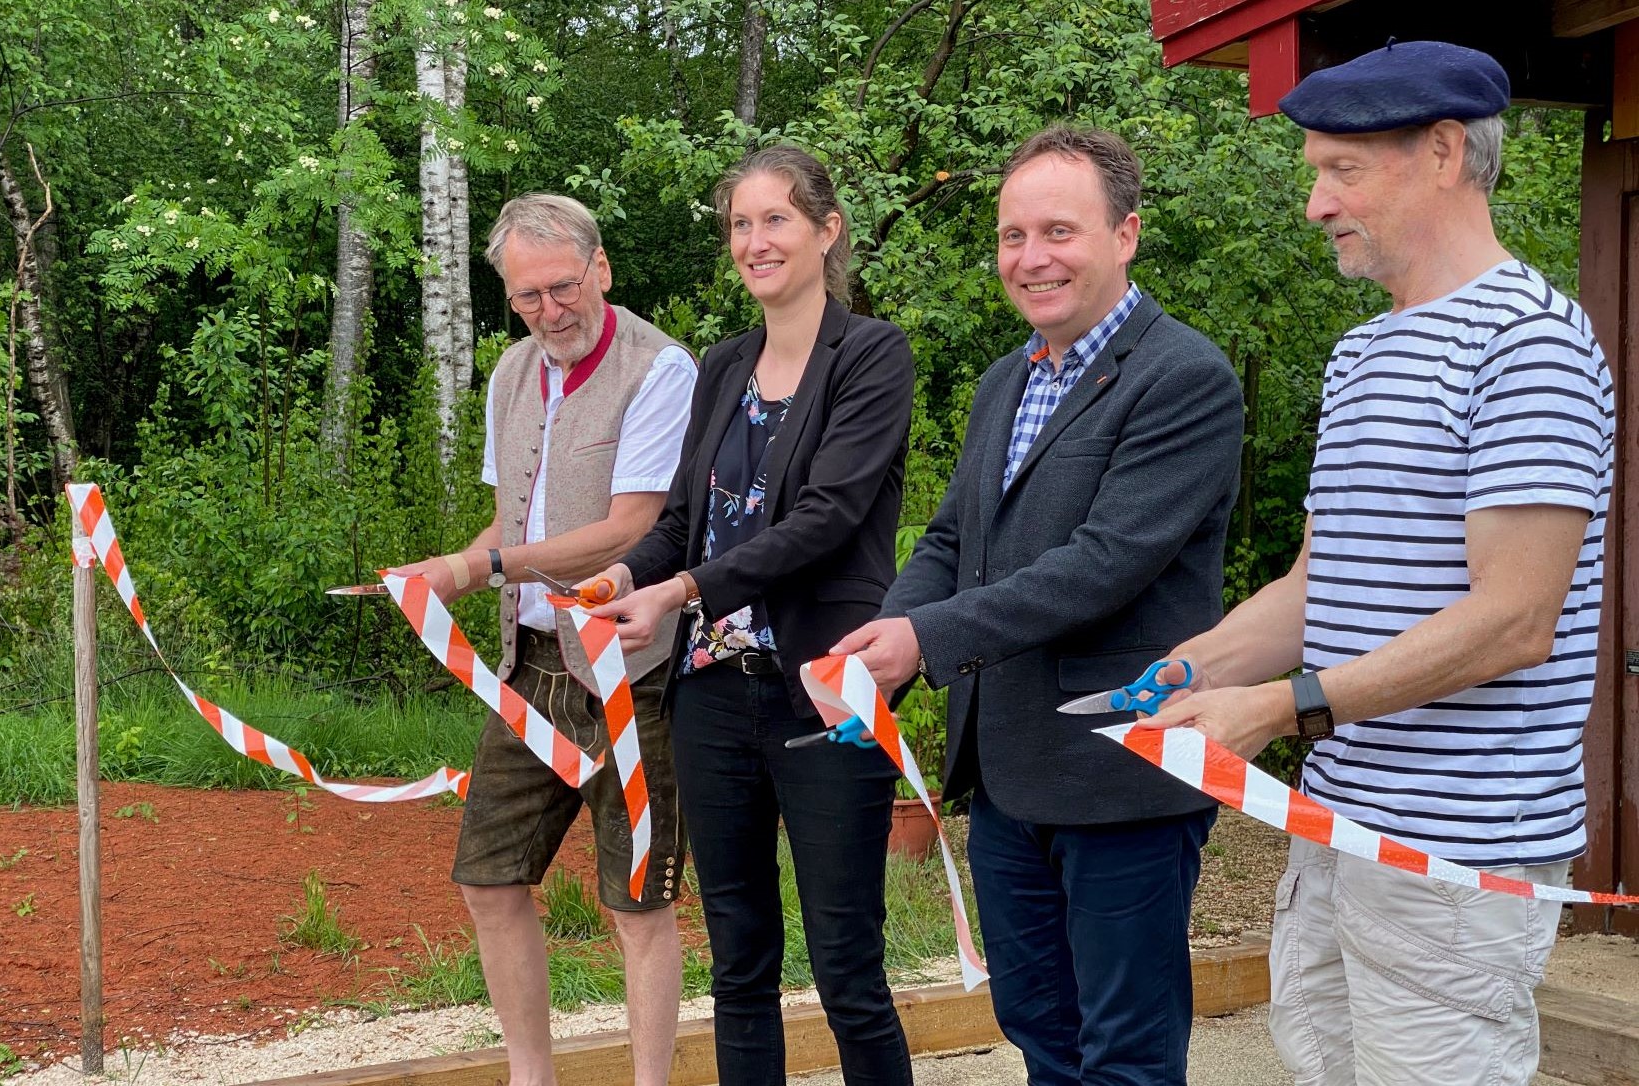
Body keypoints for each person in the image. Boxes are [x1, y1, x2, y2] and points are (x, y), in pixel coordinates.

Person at [1143, 42, 1614, 1086]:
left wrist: (1283, 708)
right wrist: (1199, 664)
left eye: (1341, 170)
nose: (1315, 203)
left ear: (1443, 153)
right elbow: (1318, 585)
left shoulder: (1529, 344)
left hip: (1456, 850)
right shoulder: (1362, 353)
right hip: (1337, 821)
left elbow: (1513, 620)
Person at [833, 125, 1244, 1085]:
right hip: (1010, 772)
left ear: (1126, 234)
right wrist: (885, 638)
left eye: (1058, 231)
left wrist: (926, 638)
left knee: (1125, 1056)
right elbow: (951, 540)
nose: (1031, 258)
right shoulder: (1007, 379)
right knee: (1039, 1032)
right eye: (1013, 236)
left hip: (1120, 773)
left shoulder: (1184, 377)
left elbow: (1103, 565)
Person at [584, 143, 916, 1086]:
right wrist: (624, 574)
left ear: (827, 230)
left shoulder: (871, 354)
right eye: (740, 223)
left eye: (776, 219)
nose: (755, 241)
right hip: (712, 696)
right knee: (738, 964)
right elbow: (685, 520)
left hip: (824, 692)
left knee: (847, 966)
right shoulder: (725, 364)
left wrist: (682, 590)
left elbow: (827, 518)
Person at [389, 193, 695, 1086]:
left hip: (633, 674)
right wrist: (442, 573)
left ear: (601, 268)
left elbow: (631, 528)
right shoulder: (510, 373)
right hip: (528, 671)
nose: (550, 310)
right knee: (487, 880)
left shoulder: (661, 368)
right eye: (528, 295)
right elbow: (508, 522)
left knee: (637, 905)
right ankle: (533, 1078)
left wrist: (482, 566)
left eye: (564, 287)